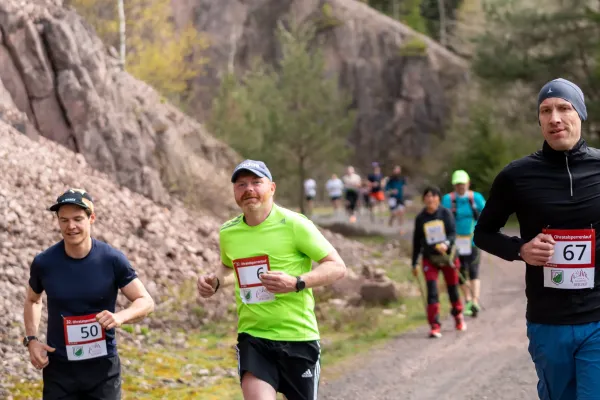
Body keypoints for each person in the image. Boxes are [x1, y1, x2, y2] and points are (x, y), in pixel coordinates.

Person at [474, 78, 600, 400]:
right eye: (546, 110)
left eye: (563, 107)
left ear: (580, 114)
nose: (554, 117)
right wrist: (521, 249)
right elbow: (483, 233)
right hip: (548, 320)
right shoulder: (517, 176)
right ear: (540, 121)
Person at [197, 160, 346, 400]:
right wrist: (214, 282)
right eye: (241, 184)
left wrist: (297, 281)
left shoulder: (295, 224)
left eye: (257, 182)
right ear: (234, 191)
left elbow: (337, 267)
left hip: (298, 337)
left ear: (272, 188)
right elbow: (228, 268)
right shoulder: (228, 232)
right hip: (254, 337)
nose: (249, 189)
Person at [23, 188, 155, 400]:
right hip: (60, 369)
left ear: (91, 218)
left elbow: (146, 301)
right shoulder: (44, 263)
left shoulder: (111, 260)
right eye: (64, 220)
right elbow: (32, 300)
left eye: (77, 219)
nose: (71, 226)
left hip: (102, 369)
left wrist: (119, 317)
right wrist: (31, 339)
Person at [412, 186, 466, 338]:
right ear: (424, 199)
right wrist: (414, 263)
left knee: (452, 289)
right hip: (430, 259)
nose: (430, 199)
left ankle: (458, 316)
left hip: (448, 257)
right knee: (432, 291)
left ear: (438, 198)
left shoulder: (445, 213)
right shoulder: (420, 218)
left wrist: (446, 244)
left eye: (433, 196)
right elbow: (416, 241)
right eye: (427, 196)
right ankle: (434, 325)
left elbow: (452, 233)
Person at [442, 170, 486, 317]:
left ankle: (474, 302)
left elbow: (488, 215)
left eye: (463, 183)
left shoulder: (476, 198)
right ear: (454, 185)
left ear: (468, 183)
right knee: (460, 271)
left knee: (474, 271)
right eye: (458, 184)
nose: (461, 186)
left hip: (473, 241)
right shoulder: (448, 200)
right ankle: (467, 300)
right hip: (456, 242)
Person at [384, 165, 407, 231]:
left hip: (400, 197)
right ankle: (390, 223)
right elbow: (386, 189)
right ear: (393, 171)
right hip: (392, 198)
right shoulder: (390, 179)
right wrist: (392, 191)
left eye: (398, 169)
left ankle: (401, 228)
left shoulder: (402, 179)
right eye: (396, 169)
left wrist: (403, 189)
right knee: (394, 213)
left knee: (401, 212)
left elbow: (404, 186)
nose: (397, 171)